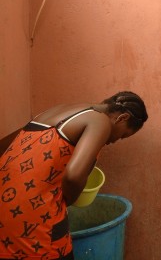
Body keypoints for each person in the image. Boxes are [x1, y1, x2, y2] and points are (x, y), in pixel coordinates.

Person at [0, 91, 148, 260]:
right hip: (32, 218)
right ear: (122, 118)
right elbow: (73, 176)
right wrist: (69, 200)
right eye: (122, 135)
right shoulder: (100, 121)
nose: (115, 140)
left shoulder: (57, 112)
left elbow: (3, 147)